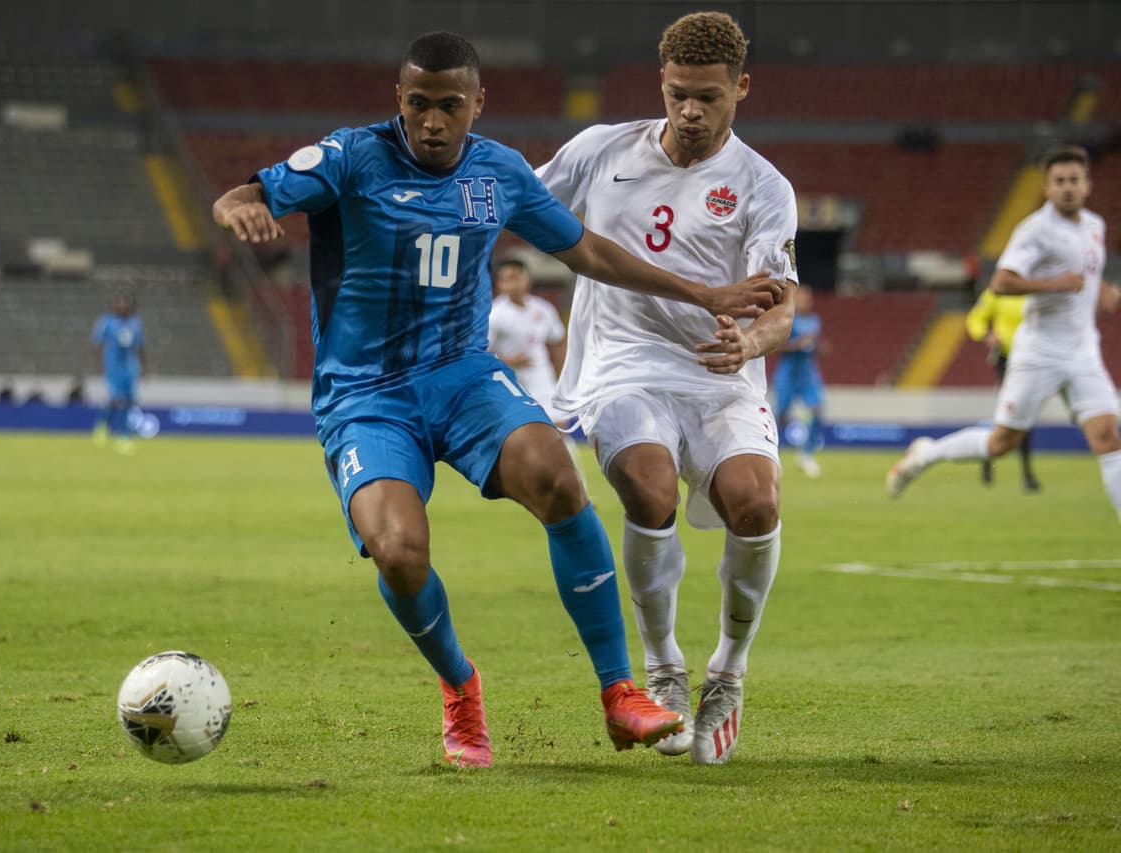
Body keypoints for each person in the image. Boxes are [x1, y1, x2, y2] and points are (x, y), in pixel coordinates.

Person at [212, 31, 783, 768]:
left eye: (450, 105)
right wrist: (239, 207)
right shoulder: (351, 158)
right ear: (400, 100)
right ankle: (460, 684)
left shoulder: (500, 172)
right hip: (366, 396)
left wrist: (703, 292)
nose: (432, 121)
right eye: (418, 104)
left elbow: (586, 250)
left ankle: (620, 691)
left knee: (557, 474)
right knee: (398, 552)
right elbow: (248, 190)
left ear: (479, 104)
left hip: (464, 376)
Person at [536, 11, 798, 765]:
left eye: (708, 97)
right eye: (679, 93)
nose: (690, 110)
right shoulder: (599, 150)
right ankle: (664, 668)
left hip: (719, 371)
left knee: (757, 502)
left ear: (741, 88)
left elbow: (781, 305)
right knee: (648, 489)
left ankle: (729, 670)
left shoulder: (763, 186)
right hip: (623, 361)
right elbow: (524, 201)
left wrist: (750, 340)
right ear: (661, 82)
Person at [888, 145, 1121, 522]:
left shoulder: (1095, 226)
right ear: (1046, 188)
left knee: (1109, 438)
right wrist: (1054, 284)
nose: (1067, 188)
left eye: (1074, 180)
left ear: (1088, 185)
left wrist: (1106, 292)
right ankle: (926, 454)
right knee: (1001, 444)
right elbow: (1001, 281)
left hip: (1083, 351)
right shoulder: (1036, 230)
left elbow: (1087, 276)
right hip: (1039, 352)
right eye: (1059, 181)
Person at [486, 257, 584, 472]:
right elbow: (481, 352)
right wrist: (508, 360)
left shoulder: (543, 309)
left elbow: (558, 342)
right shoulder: (494, 314)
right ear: (499, 284)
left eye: (517, 277)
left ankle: (578, 489)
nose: (513, 283)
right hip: (509, 382)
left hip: (541, 378)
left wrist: (561, 377)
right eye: (507, 279)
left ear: (527, 279)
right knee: (518, 436)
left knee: (560, 430)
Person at [964, 287, 1040, 491]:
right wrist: (986, 336)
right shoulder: (997, 291)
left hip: (1033, 359)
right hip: (1006, 360)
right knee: (1010, 412)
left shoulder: (1037, 289)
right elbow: (975, 319)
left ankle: (1024, 473)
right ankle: (997, 461)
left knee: (1024, 413)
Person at [772, 284, 826, 478]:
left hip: (808, 374)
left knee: (817, 410)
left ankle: (807, 455)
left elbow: (817, 346)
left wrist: (818, 346)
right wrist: (797, 344)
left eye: (806, 299)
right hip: (788, 374)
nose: (803, 302)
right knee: (781, 416)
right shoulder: (787, 320)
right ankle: (772, 456)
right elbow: (776, 346)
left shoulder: (815, 320)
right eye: (800, 299)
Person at [91, 292, 147, 454]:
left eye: (124, 303)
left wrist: (145, 367)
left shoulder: (136, 324)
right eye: (119, 303)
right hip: (113, 368)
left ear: (130, 307)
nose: (121, 306)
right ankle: (106, 428)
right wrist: (99, 364)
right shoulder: (107, 322)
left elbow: (140, 346)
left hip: (130, 369)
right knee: (116, 400)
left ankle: (123, 435)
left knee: (129, 402)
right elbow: (97, 343)